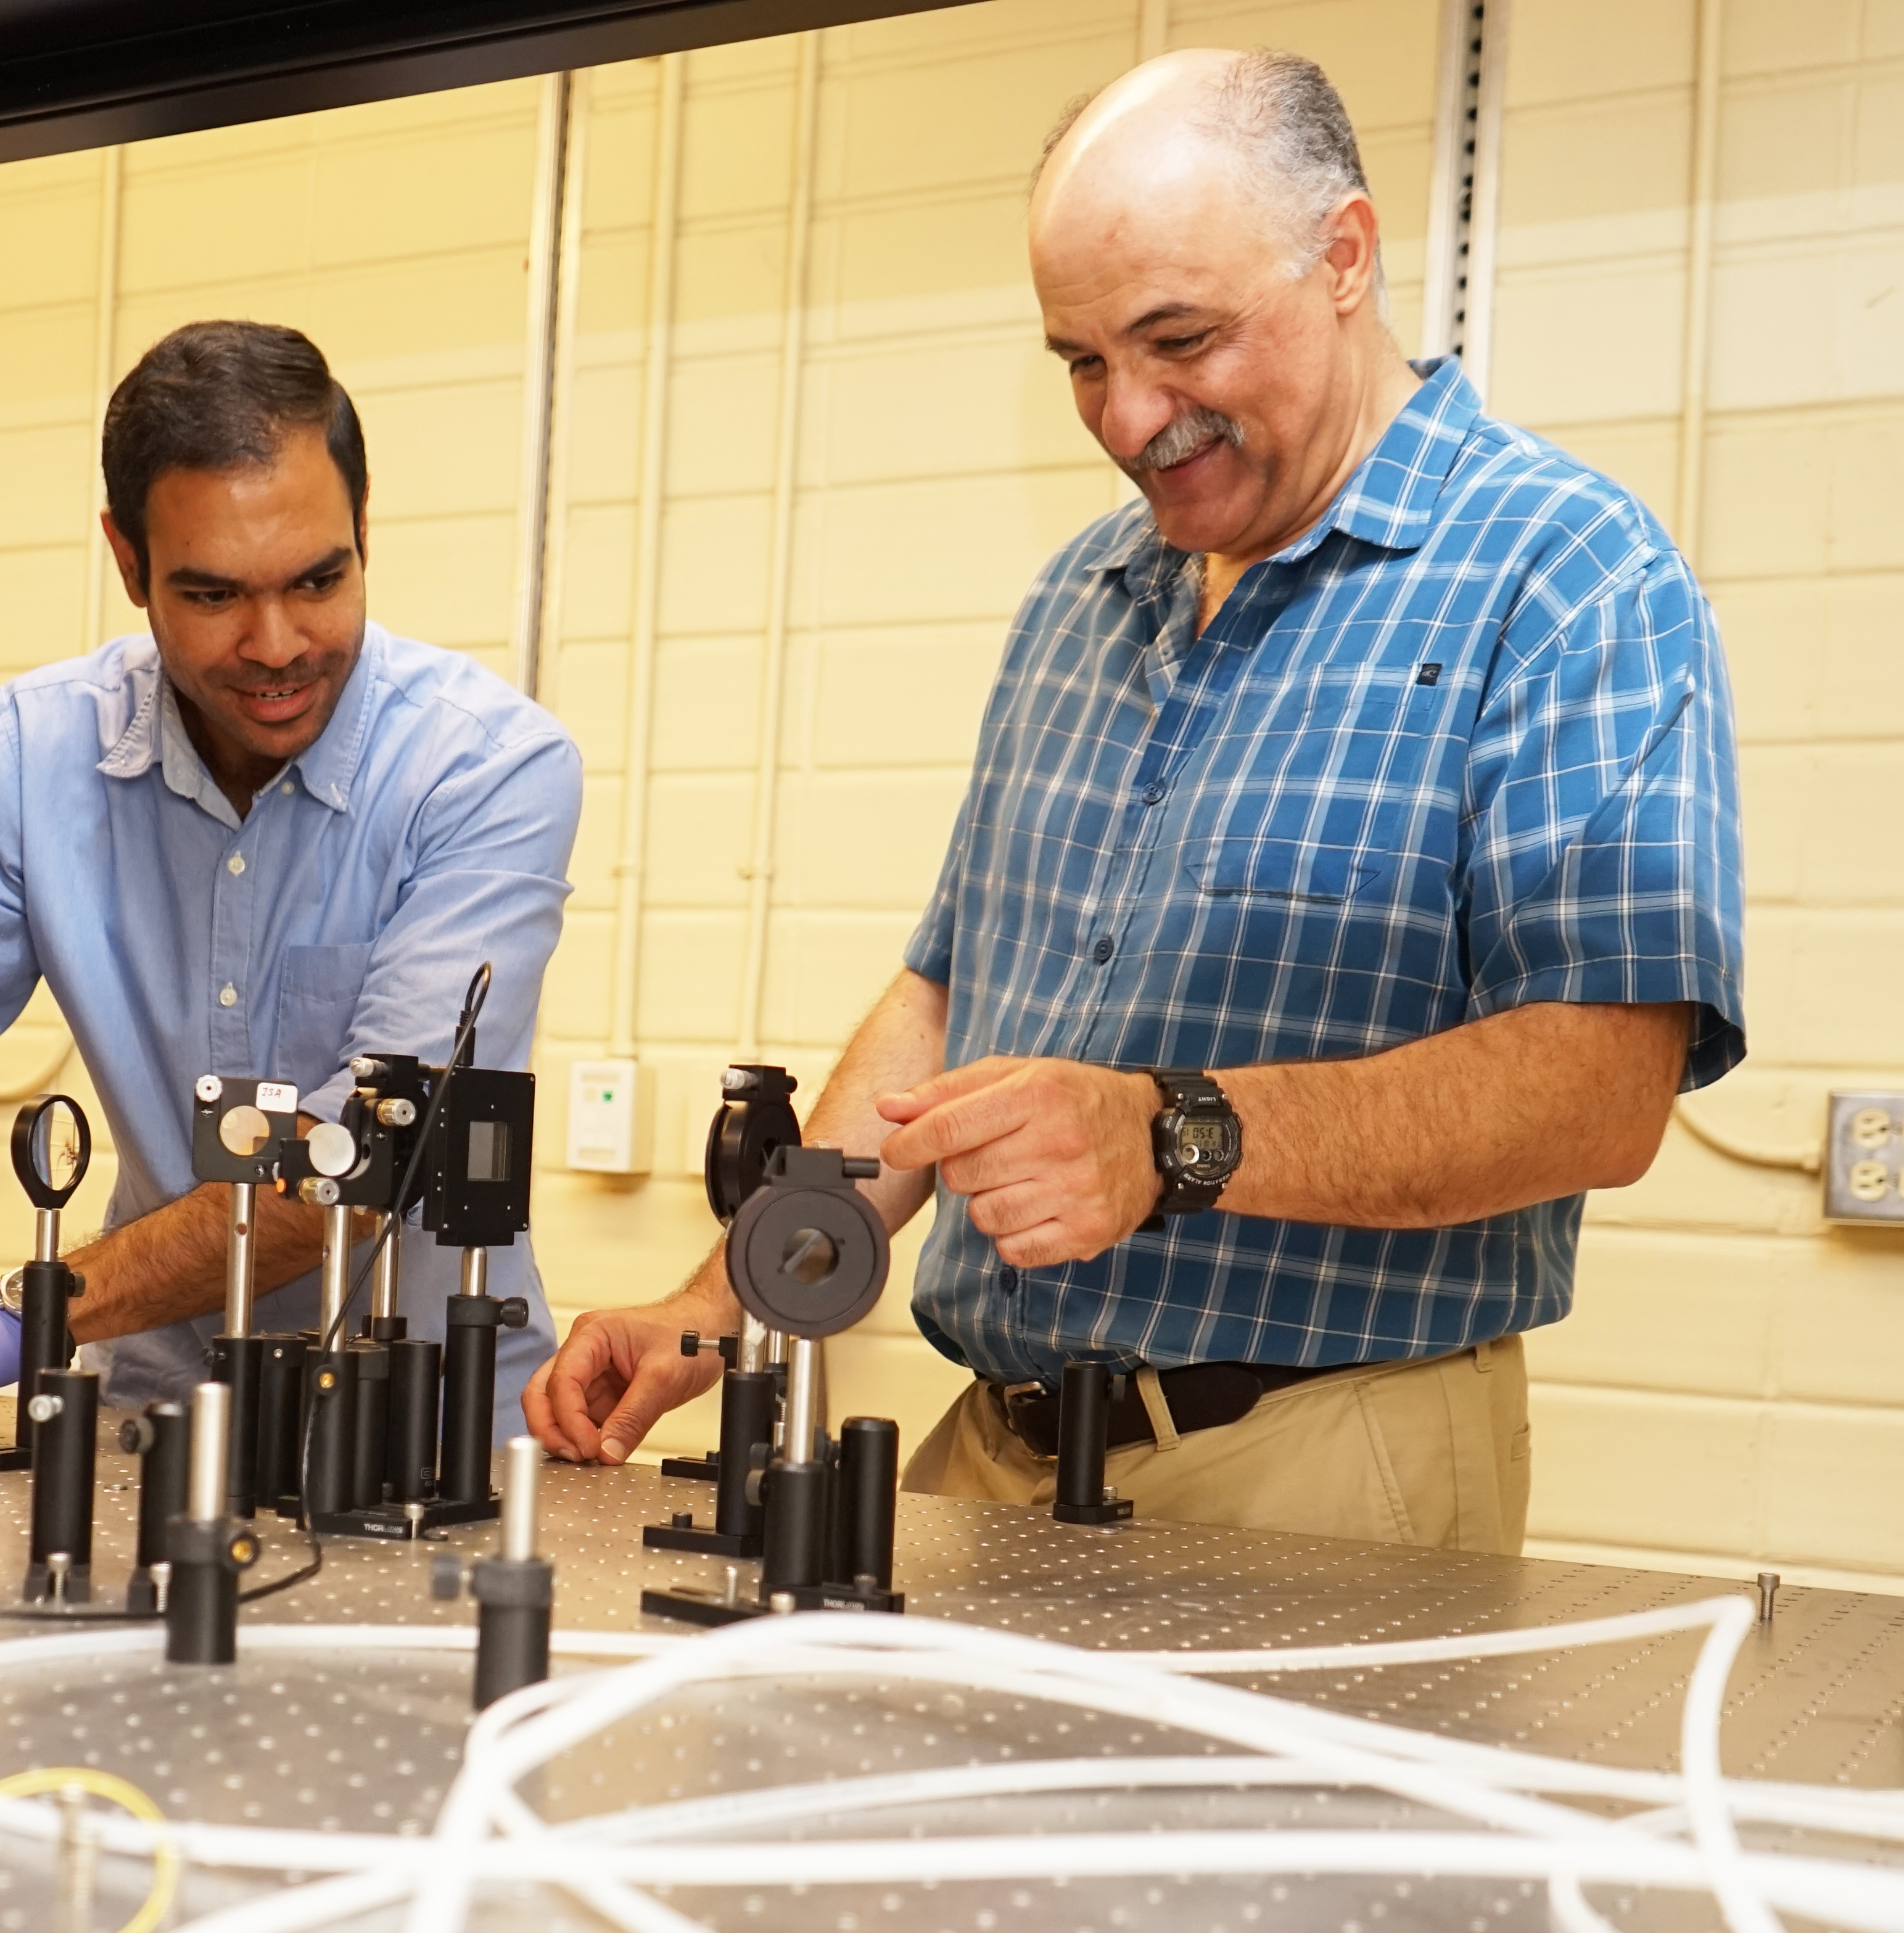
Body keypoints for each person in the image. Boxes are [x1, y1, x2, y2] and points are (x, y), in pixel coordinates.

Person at [523, 48, 1742, 1553]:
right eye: (1080, 361)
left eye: (1178, 340)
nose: (1125, 415)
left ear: (1343, 256)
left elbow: (1599, 1086)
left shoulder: (1565, 577)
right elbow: (949, 992)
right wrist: (718, 1301)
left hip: (1315, 1462)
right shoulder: (1082, 593)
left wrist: (1170, 1135)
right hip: (999, 1446)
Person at [0, 321, 581, 1414]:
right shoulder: (37, 751)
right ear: (127, 559)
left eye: (317, 578)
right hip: (154, 1414)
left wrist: (27, 1310)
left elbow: (372, 1150)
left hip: (433, 1432)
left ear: (362, 520)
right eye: (211, 595)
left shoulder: (485, 768)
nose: (278, 642)